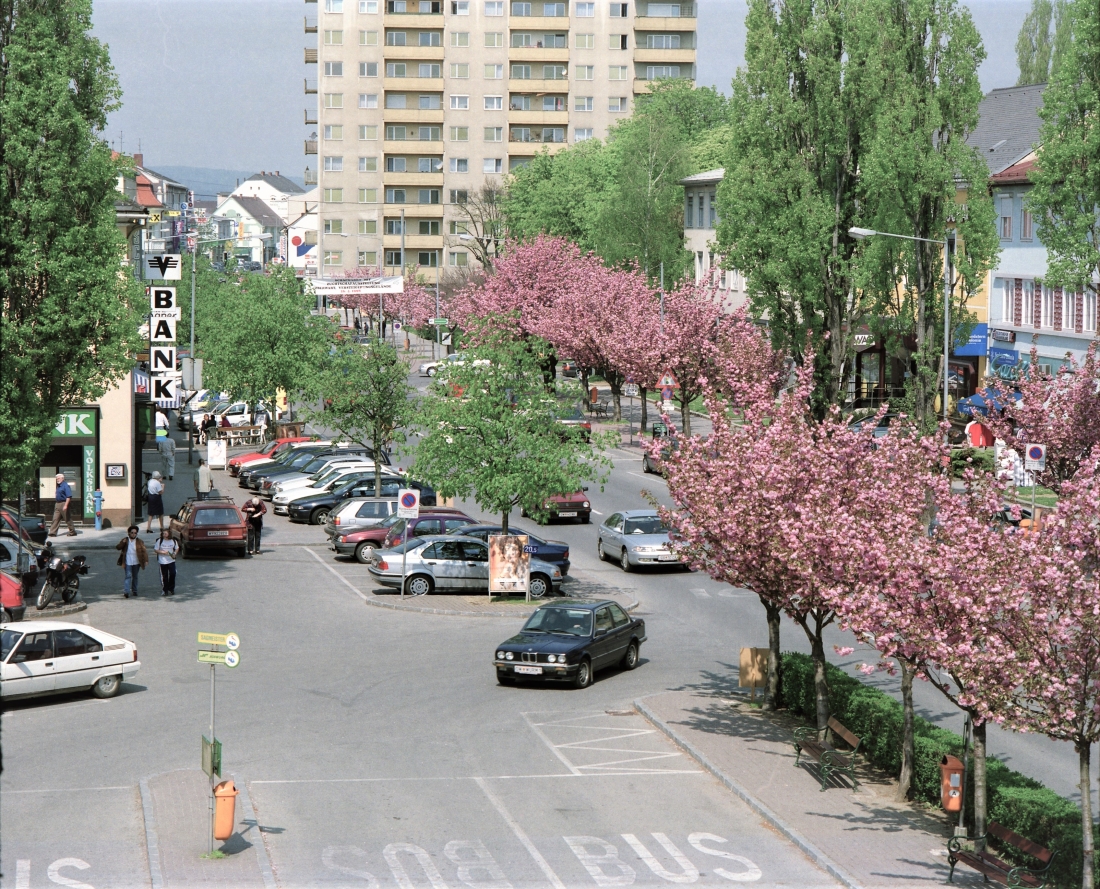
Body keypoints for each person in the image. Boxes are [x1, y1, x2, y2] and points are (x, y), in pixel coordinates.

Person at [116, 525, 148, 598]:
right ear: (129, 533)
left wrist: (146, 560)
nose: (133, 534)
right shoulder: (125, 540)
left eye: (135, 533)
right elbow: (118, 547)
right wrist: (122, 543)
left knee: (135, 576)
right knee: (128, 575)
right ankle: (126, 591)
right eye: (132, 532)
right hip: (127, 561)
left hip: (136, 561)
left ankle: (134, 590)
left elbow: (144, 551)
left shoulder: (139, 541)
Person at [48, 472, 77, 537]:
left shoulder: (65, 485)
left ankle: (72, 532)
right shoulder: (59, 486)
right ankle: (52, 532)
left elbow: (68, 496)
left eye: (58, 478)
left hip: (64, 503)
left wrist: (66, 505)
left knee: (67, 519)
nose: (57, 479)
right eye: (56, 478)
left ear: (62, 478)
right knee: (55, 519)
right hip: (58, 503)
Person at [154, 528, 179, 596]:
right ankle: (165, 590)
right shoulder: (160, 540)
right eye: (163, 534)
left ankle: (171, 588)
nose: (164, 535)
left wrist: (174, 553)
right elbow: (156, 550)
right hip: (163, 560)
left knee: (173, 573)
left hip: (171, 560)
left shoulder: (173, 540)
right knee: (164, 576)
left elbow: (177, 548)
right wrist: (162, 552)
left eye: (165, 534)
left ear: (169, 534)